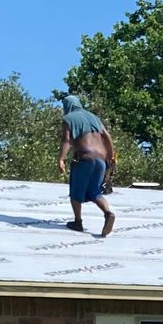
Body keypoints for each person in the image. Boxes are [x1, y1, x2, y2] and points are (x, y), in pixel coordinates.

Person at [58, 95, 116, 235]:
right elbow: (107, 136)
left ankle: (78, 222)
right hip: (101, 160)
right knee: (95, 192)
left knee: (75, 192)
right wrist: (111, 156)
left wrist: (61, 159)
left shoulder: (69, 118)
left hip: (85, 158)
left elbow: (67, 140)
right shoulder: (94, 117)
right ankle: (108, 213)